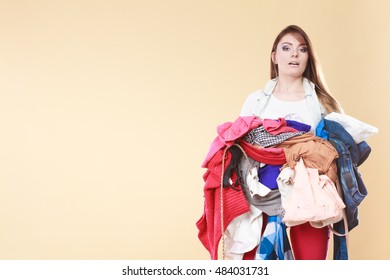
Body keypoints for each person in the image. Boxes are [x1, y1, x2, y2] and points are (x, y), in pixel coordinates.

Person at [239, 25, 344, 260]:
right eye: (286, 48)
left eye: (302, 49)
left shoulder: (323, 101)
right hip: (262, 196)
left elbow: (339, 150)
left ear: (308, 57)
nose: (294, 54)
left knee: (311, 265)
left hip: (309, 195)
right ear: (274, 57)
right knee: (255, 264)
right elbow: (240, 148)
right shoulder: (255, 101)